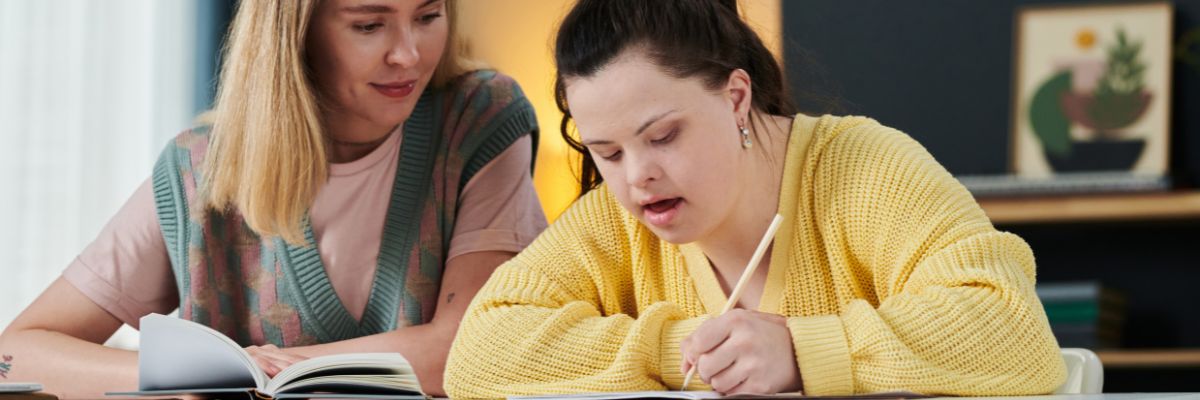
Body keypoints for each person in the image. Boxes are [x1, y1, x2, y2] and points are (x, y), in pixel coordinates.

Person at [444, 0, 1066, 397]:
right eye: (607, 153)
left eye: (662, 136)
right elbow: (479, 353)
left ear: (736, 97)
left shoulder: (864, 169)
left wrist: (801, 351)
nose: (638, 179)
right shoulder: (617, 218)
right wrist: (679, 349)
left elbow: (1012, 328)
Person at [0, 0, 546, 397]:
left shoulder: (480, 117)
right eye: (369, 25)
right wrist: (183, 381)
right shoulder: (199, 170)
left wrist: (262, 370)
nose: (409, 54)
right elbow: (17, 351)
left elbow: (469, 344)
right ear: (296, 30)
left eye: (428, 17)